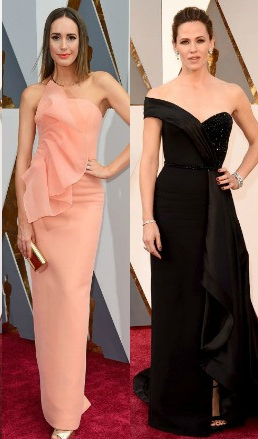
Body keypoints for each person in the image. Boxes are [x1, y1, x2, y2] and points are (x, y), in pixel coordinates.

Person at [136, 7, 258, 436]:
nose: (192, 48)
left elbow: (257, 139)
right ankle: (180, 398)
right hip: (171, 206)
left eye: (199, 40)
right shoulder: (159, 95)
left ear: (212, 44)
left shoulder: (232, 93)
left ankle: (215, 393)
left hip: (215, 206)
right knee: (179, 301)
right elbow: (148, 161)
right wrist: (147, 220)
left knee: (218, 293)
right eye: (184, 41)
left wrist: (239, 175)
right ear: (175, 46)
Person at [14, 7, 129, 439]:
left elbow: (147, 123)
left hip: (84, 201)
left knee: (73, 300)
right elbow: (23, 161)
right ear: (47, 43)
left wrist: (110, 167)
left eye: (71, 37)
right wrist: (23, 221)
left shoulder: (101, 83)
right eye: (56, 37)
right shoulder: (32, 95)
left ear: (82, 42)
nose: (64, 46)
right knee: (48, 308)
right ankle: (60, 402)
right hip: (42, 206)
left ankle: (66, 414)